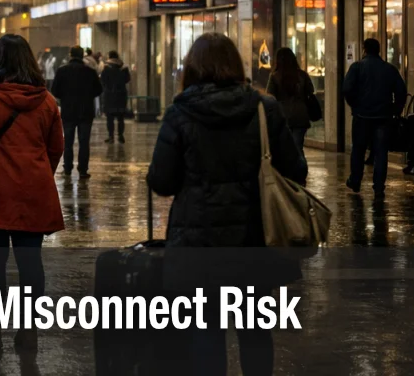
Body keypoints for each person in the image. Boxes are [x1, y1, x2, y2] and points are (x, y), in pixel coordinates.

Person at [148, 33, 306, 376]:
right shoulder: (265, 110)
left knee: (205, 332)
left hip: (199, 245)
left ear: (192, 68)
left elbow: (161, 181)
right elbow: (297, 171)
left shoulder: (180, 113)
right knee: (255, 332)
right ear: (236, 65)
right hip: (257, 242)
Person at [0, 35, 63, 354]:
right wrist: (37, 168)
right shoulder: (46, 100)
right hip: (33, 189)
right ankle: (28, 331)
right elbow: (56, 148)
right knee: (31, 262)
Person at [342, 38, 407, 200]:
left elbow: (347, 89)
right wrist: (395, 110)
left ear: (364, 49)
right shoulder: (389, 69)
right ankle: (378, 187)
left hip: (362, 116)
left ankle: (355, 180)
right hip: (383, 117)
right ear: (378, 50)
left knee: (358, 149)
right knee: (381, 152)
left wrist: (355, 106)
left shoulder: (356, 67)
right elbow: (401, 91)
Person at [49, 46, 103, 178]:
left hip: (69, 111)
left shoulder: (62, 71)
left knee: (68, 141)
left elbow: (55, 91)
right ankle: (83, 169)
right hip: (86, 111)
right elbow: (98, 90)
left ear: (70, 55)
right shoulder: (89, 71)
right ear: (82, 55)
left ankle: (67, 167)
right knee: (84, 141)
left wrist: (66, 97)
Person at [267, 47, 315, 159]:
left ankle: (288, 172)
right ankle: (300, 170)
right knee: (298, 147)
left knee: (284, 148)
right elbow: (310, 90)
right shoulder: (302, 75)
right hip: (300, 115)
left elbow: (270, 96)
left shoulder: (275, 76)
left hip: (282, 116)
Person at [100, 50, 131, 144]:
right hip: (121, 94)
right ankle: (121, 135)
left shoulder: (106, 67)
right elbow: (127, 79)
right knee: (120, 117)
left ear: (109, 56)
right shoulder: (123, 67)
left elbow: (103, 80)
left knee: (110, 118)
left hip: (110, 95)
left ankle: (111, 136)